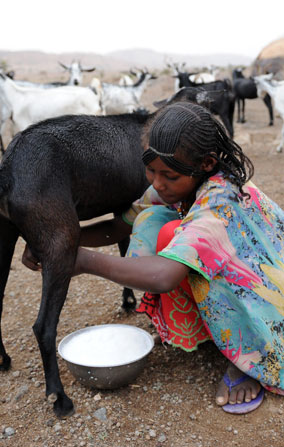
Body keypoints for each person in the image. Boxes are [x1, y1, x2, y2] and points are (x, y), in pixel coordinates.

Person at [22, 102, 284, 414]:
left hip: (269, 294)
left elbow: (164, 276)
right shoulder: (177, 179)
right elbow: (119, 227)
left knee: (176, 246)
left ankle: (248, 354)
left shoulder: (220, 200)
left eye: (168, 176)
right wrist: (56, 242)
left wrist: (82, 261)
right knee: (152, 221)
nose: (157, 183)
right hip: (236, 270)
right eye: (151, 171)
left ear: (207, 163)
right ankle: (204, 330)